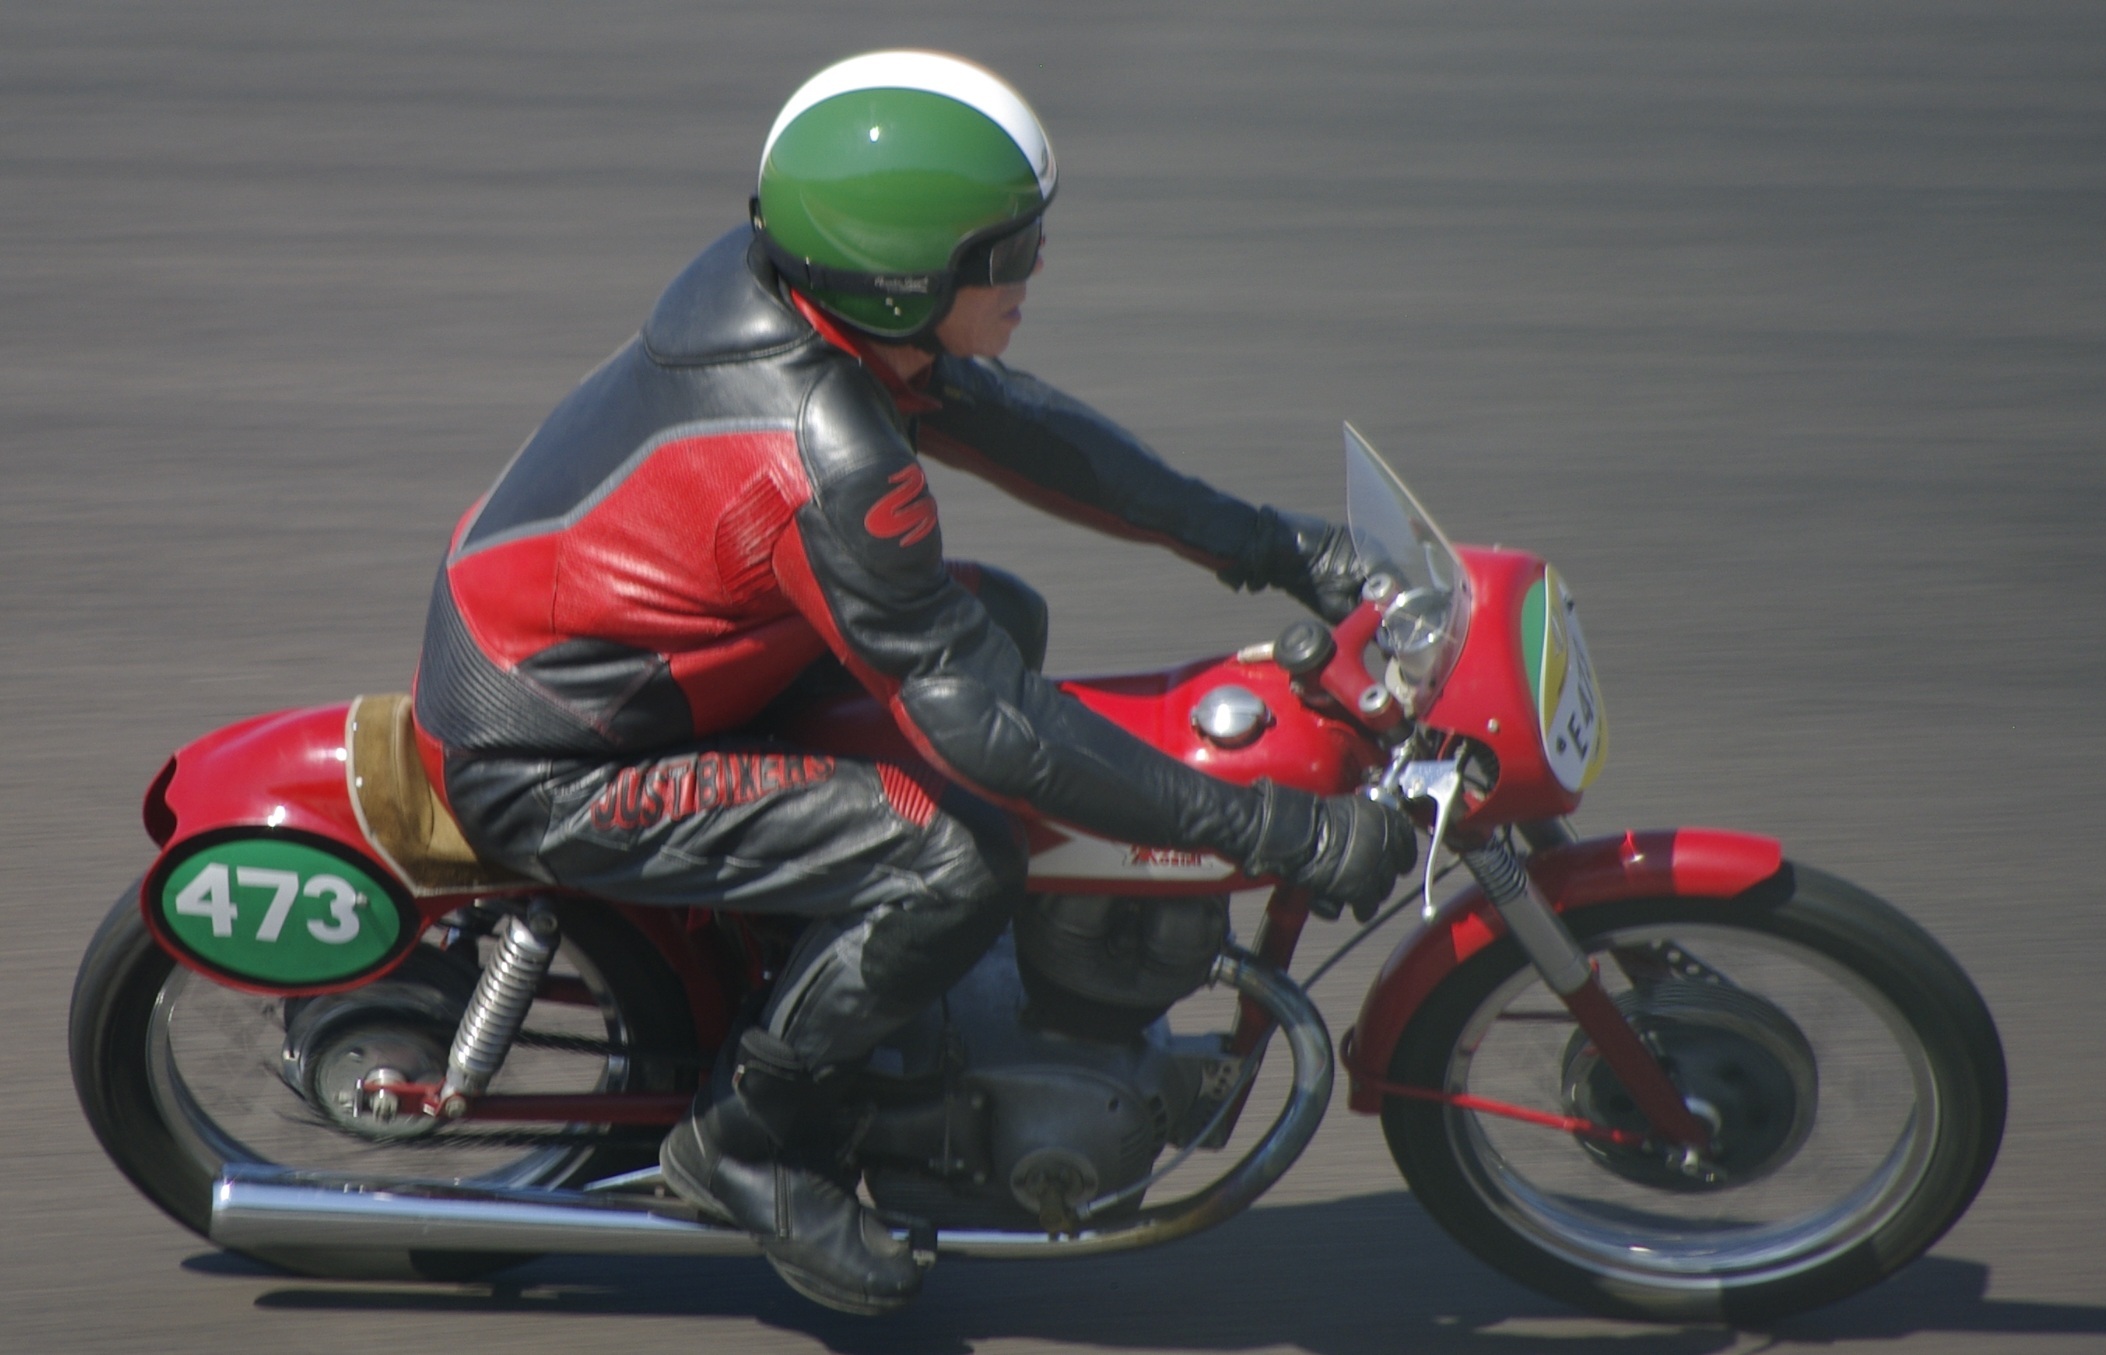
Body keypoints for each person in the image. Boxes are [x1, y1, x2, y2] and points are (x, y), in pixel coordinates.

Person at [411, 50, 1414, 1315]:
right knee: (953, 861)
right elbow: (985, 724)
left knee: (1005, 613)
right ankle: (746, 1141)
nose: (1033, 270)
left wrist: (1274, 545)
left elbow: (1031, 432)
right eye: (1007, 253)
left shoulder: (798, 298)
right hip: (557, 754)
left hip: (621, 660)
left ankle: (837, 973)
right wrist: (1281, 832)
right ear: (900, 281)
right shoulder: (823, 453)